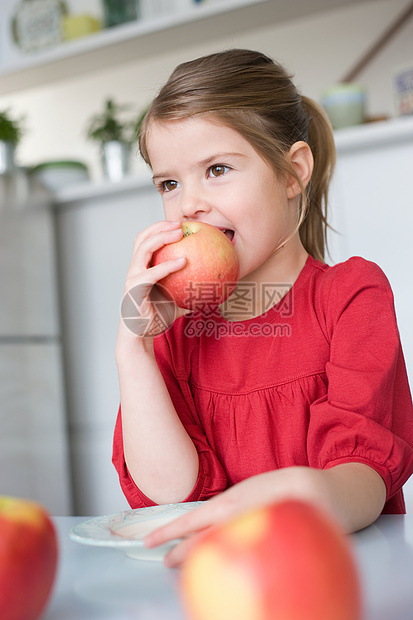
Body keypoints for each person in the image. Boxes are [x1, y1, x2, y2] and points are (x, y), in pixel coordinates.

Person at [113, 49, 413, 567]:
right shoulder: (177, 327)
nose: (189, 205)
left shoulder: (349, 296)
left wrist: (294, 495)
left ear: (293, 172)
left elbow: (363, 478)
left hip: (341, 576)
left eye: (218, 169)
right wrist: (133, 350)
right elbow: (167, 496)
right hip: (220, 582)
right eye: (169, 183)